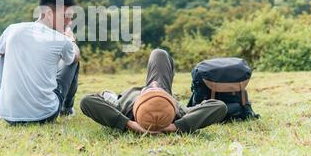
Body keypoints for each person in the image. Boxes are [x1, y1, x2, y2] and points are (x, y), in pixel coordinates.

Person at [80, 49, 227, 134]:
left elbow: (87, 101)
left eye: (152, 89)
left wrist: (129, 124)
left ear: (138, 102)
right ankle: (158, 93)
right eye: (156, 88)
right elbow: (219, 106)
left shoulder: (123, 110)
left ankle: (112, 96)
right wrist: (175, 127)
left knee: (107, 95)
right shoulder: (178, 114)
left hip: (123, 102)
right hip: (166, 107)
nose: (154, 83)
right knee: (159, 53)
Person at [0, 0, 81, 125]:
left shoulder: (13, 29)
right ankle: (66, 109)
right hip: (45, 115)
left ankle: (10, 104)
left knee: (2, 55)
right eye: (66, 17)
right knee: (73, 59)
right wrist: (71, 40)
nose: (69, 23)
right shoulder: (63, 41)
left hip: (9, 117)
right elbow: (75, 57)